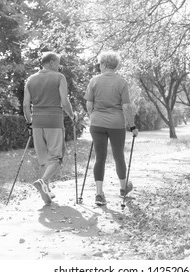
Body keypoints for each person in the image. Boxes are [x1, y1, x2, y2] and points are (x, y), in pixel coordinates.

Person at [84, 51, 139, 206]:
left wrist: (93, 117)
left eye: (100, 64)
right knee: (118, 156)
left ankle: (99, 194)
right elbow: (126, 106)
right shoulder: (121, 82)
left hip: (97, 123)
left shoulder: (94, 81)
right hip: (116, 124)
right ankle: (123, 188)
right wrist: (132, 126)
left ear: (104, 64)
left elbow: (89, 104)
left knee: (99, 157)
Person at [23, 51, 76, 205]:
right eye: (58, 63)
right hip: (54, 121)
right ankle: (43, 180)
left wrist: (29, 122)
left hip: (37, 122)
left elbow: (26, 105)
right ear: (51, 62)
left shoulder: (31, 79)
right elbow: (64, 102)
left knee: (44, 159)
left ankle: (46, 192)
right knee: (57, 157)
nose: (59, 66)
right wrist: (72, 116)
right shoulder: (59, 77)